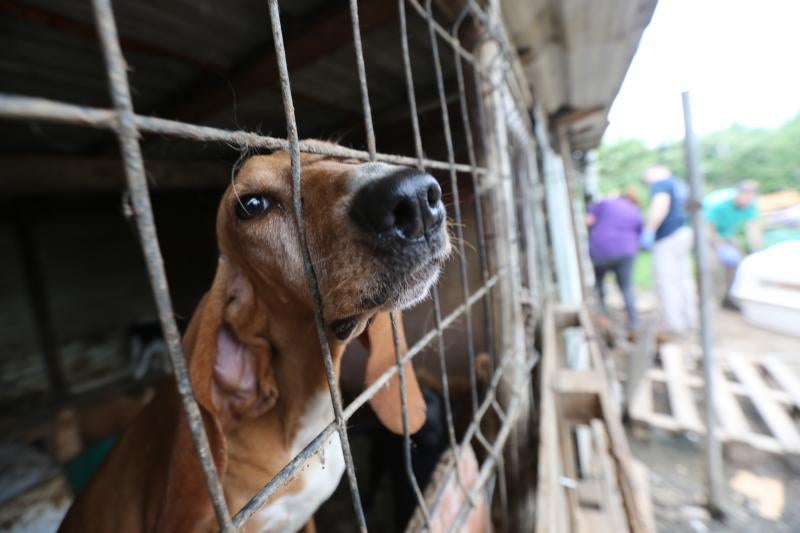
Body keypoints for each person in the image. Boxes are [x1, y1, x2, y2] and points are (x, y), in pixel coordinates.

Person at [640, 165, 697, 337]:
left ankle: (674, 325)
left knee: (667, 281)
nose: (647, 182)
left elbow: (660, 205)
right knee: (683, 278)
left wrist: (650, 229)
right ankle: (691, 320)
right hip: (684, 232)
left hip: (668, 236)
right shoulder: (680, 185)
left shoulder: (661, 184)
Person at [586, 188, 643, 330]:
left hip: (601, 250)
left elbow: (589, 220)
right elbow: (640, 232)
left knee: (599, 283)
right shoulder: (634, 210)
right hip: (626, 252)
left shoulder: (606, 203)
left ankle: (602, 317)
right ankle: (634, 322)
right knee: (626, 287)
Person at [704, 180, 761, 309]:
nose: (747, 200)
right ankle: (707, 299)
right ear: (739, 194)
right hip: (708, 234)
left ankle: (729, 298)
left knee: (737, 263)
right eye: (745, 196)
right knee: (711, 265)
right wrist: (717, 246)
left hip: (727, 235)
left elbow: (752, 228)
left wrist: (756, 247)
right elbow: (709, 228)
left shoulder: (750, 206)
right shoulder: (719, 205)